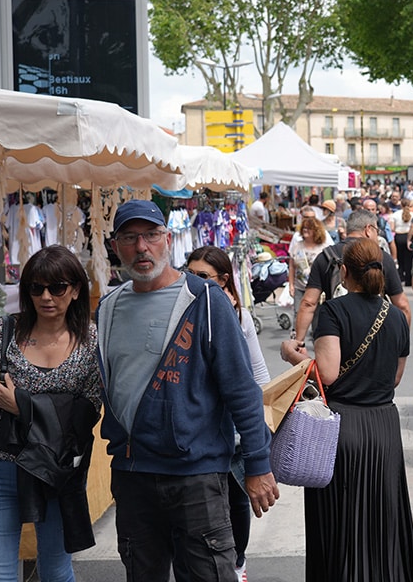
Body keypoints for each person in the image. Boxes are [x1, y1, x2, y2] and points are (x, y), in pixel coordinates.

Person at [96, 200, 277, 581]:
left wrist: (258, 464)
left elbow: (241, 388)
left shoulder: (205, 301)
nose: (141, 247)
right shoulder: (108, 307)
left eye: (150, 235)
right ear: (116, 246)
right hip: (132, 474)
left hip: (196, 476)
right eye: (130, 238)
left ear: (167, 239)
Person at [0, 245, 101, 582]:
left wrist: (22, 405)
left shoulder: (91, 341)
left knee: (56, 571)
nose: (46, 296)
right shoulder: (2, 334)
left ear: (74, 291)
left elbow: (86, 416)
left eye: (57, 287)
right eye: (36, 287)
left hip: (53, 471)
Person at [280, 239, 413, 582]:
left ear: (344, 272)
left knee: (340, 521)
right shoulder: (398, 317)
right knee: (381, 519)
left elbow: (326, 372)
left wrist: (290, 353)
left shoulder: (333, 311)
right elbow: (396, 376)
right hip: (384, 429)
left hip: (342, 428)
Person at [184, 245, 271, 581]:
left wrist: (257, 428)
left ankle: (238, 561)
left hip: (232, 428)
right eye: (189, 274)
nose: (194, 283)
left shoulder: (238, 315)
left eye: (202, 277)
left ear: (223, 281)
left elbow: (258, 375)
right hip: (198, 428)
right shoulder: (182, 311)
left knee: (236, 499)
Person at [291, 208, 410, 349]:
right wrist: (401, 342)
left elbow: (308, 303)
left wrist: (299, 343)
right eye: (377, 231)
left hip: (335, 334)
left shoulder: (325, 257)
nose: (377, 236)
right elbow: (402, 305)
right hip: (375, 336)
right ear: (368, 229)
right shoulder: (382, 258)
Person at [289, 215, 333, 334]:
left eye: (309, 228)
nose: (305, 230)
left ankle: (317, 339)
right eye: (304, 228)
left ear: (316, 231)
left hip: (317, 288)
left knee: (317, 316)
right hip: (300, 286)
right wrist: (291, 285)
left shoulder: (324, 247)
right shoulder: (297, 245)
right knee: (298, 312)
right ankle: (297, 339)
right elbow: (292, 265)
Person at [392, 197, 413, 285]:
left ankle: (400, 277)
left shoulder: (395, 214)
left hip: (399, 236)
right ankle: (408, 280)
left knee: (400, 258)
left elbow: (392, 228)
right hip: (408, 236)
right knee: (409, 259)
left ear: (401, 205)